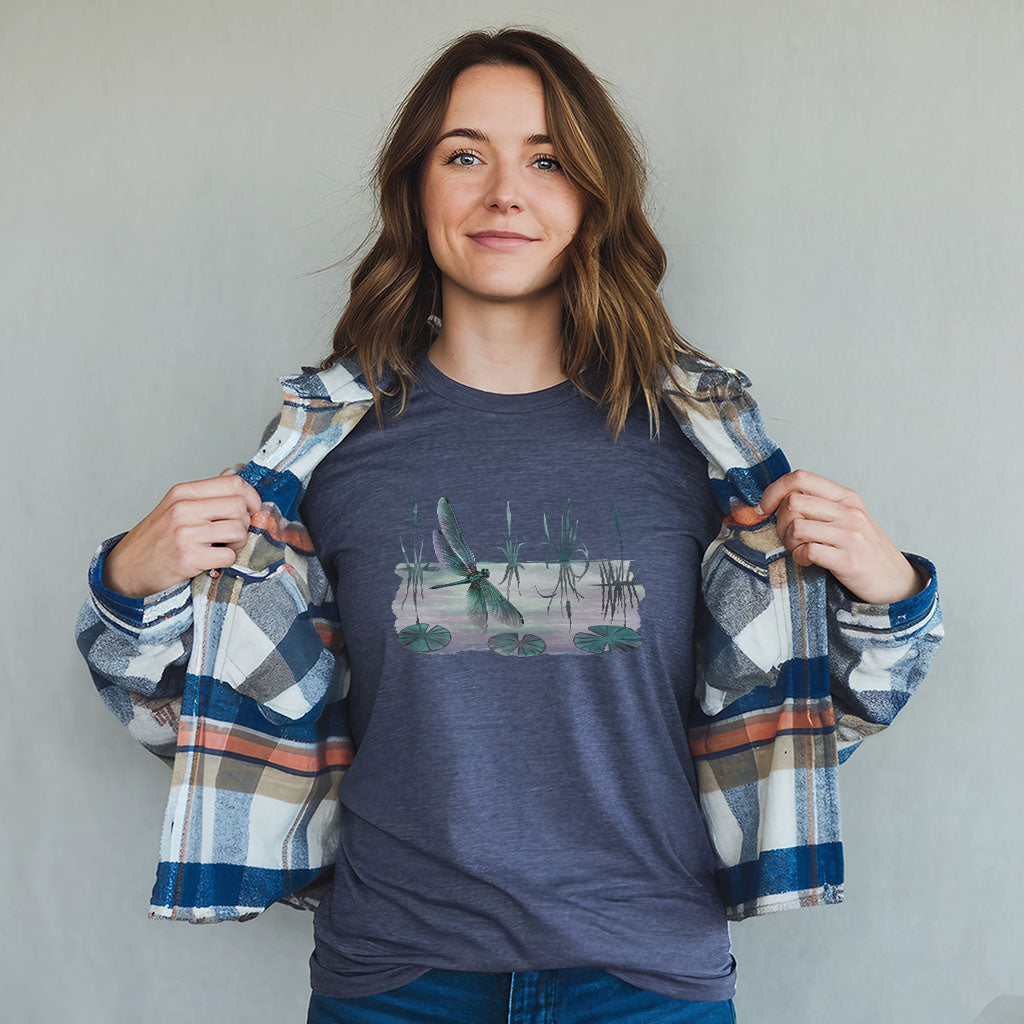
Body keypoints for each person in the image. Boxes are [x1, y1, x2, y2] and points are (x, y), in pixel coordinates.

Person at [74, 27, 944, 1024]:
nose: (503, 191)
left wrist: (890, 602)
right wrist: (126, 590)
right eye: (463, 155)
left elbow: (798, 733)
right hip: (394, 980)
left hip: (645, 979)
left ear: (590, 198)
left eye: (545, 158)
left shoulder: (703, 452)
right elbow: (216, 729)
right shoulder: (323, 457)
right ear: (415, 192)